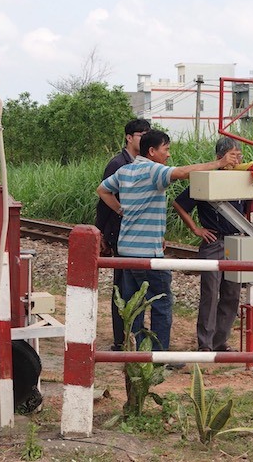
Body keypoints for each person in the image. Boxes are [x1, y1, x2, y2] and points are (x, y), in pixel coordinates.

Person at [97, 129, 239, 351]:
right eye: (166, 149)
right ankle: (158, 355)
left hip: (126, 251)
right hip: (149, 255)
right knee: (161, 304)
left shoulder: (125, 171)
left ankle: (134, 352)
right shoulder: (155, 171)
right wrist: (218, 163)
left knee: (134, 305)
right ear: (152, 151)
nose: (169, 155)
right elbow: (183, 172)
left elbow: (102, 190)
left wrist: (121, 210)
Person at [173, 138, 245, 352]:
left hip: (237, 241)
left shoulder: (244, 180)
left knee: (232, 294)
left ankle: (220, 341)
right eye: (233, 155)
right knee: (210, 294)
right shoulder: (206, 179)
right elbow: (179, 203)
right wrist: (196, 228)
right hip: (214, 242)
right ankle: (205, 344)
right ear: (219, 157)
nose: (237, 159)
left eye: (239, 155)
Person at [95, 118, 150, 351]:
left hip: (137, 233)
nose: (145, 138)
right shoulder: (117, 164)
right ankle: (121, 339)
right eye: (141, 134)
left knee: (138, 288)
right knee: (122, 288)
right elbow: (103, 200)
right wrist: (102, 234)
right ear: (129, 137)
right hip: (120, 233)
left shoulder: (144, 163)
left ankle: (134, 333)